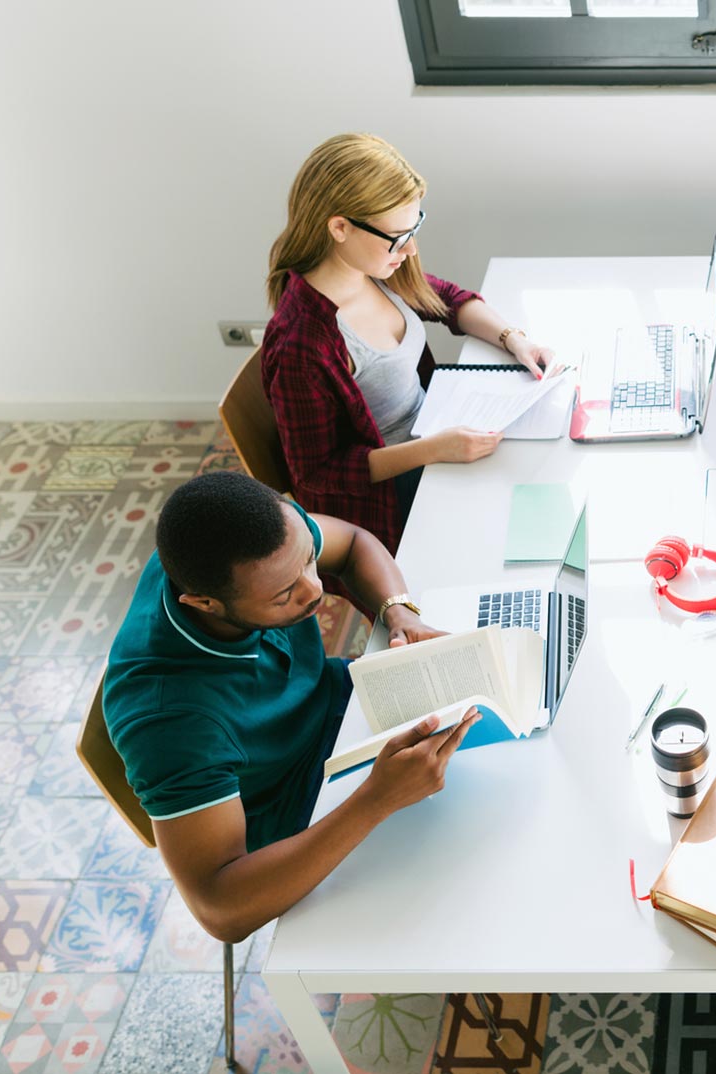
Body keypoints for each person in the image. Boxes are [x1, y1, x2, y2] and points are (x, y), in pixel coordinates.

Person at [102, 471, 482, 943]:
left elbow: (356, 541)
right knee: (470, 880)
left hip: (339, 706)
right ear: (205, 603)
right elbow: (220, 909)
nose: (315, 590)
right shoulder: (168, 721)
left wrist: (398, 611)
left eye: (308, 561)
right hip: (298, 813)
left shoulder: (252, 539)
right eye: (285, 595)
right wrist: (376, 800)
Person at [262, 132, 557, 553]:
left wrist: (515, 340)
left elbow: (449, 301)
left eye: (415, 226)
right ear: (340, 227)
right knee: (517, 524)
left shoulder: (379, 270)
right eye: (399, 236)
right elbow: (317, 474)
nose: (412, 248)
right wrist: (432, 450)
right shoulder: (302, 345)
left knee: (541, 475)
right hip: (387, 493)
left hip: (435, 435)